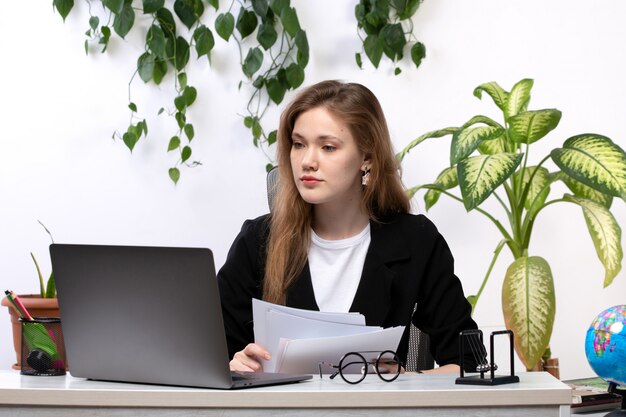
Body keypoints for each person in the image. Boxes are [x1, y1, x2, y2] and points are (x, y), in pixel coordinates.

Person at [217, 80, 480, 374]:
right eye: (298, 144)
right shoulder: (258, 241)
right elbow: (209, 358)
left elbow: (469, 363)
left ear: (366, 158)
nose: (307, 161)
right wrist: (233, 366)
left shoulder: (416, 241)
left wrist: (406, 380)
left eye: (328, 147)